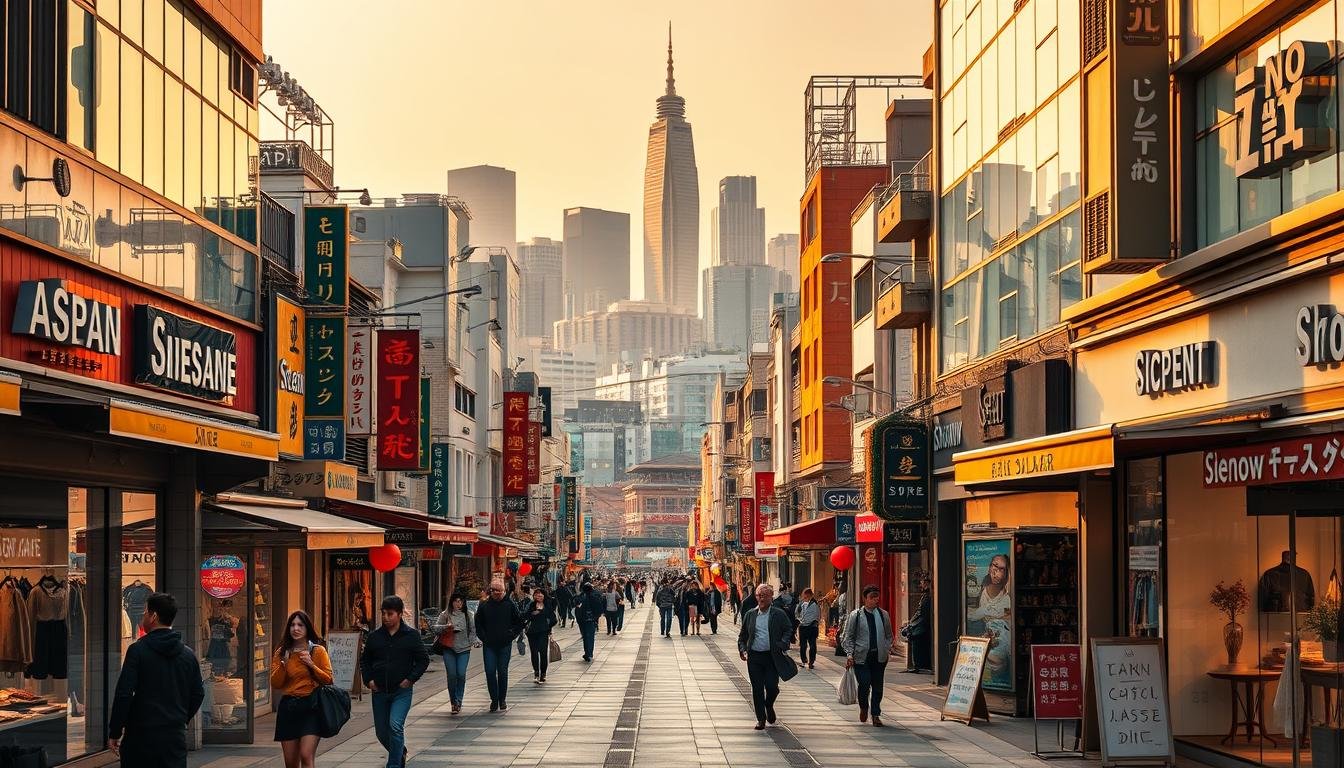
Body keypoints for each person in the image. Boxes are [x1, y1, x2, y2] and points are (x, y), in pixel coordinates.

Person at [107, 592, 204, 768]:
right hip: (174, 735)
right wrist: (181, 717)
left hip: (140, 734)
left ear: (154, 616)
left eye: (145, 611)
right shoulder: (188, 655)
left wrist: (115, 730)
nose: (143, 615)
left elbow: (124, 693)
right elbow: (198, 693)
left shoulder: (137, 650)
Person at [360, 596, 429, 768]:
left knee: (395, 725)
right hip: (379, 691)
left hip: (401, 691)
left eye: (390, 614)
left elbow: (423, 660)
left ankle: (393, 765)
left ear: (399, 614)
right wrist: (368, 680)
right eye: (383, 613)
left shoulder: (411, 635)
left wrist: (410, 679)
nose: (385, 617)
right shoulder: (375, 637)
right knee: (382, 732)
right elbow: (365, 660)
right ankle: (400, 752)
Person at [270, 611, 334, 768]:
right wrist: (284, 664)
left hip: (311, 706)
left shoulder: (317, 651)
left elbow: (328, 679)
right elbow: (275, 683)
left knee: (306, 755)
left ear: (307, 628)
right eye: (292, 625)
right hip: (288, 708)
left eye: (300, 625)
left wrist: (311, 665)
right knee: (291, 763)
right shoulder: (281, 652)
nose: (295, 628)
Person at [737, 584, 793, 730]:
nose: (761, 598)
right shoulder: (750, 614)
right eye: (759, 595)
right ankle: (760, 719)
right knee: (757, 688)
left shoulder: (778, 614)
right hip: (754, 657)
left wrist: (783, 643)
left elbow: (788, 629)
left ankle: (769, 704)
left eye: (764, 595)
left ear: (770, 597)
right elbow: (743, 636)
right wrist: (743, 650)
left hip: (771, 657)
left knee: (772, 687)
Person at [841, 585, 896, 727]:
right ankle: (864, 707)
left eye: (877, 597)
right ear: (865, 598)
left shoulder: (884, 615)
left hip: (879, 657)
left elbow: (889, 635)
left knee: (878, 687)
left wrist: (887, 648)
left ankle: (876, 714)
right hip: (861, 657)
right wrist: (849, 655)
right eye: (872, 597)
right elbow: (848, 636)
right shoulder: (856, 615)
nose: (875, 600)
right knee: (864, 684)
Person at [474, 578, 524, 712]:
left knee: (502, 672)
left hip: (504, 644)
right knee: (490, 672)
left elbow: (519, 622)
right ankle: (494, 699)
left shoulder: (510, 604)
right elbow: (478, 623)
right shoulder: (484, 605)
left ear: (504, 591)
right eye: (493, 590)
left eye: (498, 590)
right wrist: (483, 637)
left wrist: (511, 635)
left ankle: (502, 699)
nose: (496, 593)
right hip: (489, 644)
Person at [432, 594, 477, 715]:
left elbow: (473, 631)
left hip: (464, 649)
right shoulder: (445, 614)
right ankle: (454, 702)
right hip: (449, 648)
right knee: (452, 675)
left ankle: (459, 699)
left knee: (461, 674)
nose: (458, 604)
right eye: (456, 601)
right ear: (451, 602)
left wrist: (471, 642)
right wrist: (445, 627)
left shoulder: (469, 615)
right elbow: (435, 628)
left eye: (460, 601)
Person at [524, 587, 557, 683]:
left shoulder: (547, 606)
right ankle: (536, 673)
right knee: (534, 653)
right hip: (532, 633)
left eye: (540, 594)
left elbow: (554, 619)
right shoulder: (531, 605)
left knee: (543, 653)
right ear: (534, 596)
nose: (538, 595)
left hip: (543, 632)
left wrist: (548, 626)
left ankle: (543, 674)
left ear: (544, 596)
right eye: (536, 594)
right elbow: (525, 616)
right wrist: (532, 614)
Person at [903, 575, 933, 673]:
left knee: (918, 643)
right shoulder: (925, 596)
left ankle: (920, 666)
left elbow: (922, 612)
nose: (921, 585)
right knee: (916, 644)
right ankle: (918, 665)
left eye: (922, 583)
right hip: (921, 624)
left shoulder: (928, 596)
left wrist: (912, 623)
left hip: (923, 625)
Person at [574, 581, 604, 662]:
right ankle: (589, 653)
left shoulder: (581, 596)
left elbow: (575, 606)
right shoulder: (595, 596)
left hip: (582, 620)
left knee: (585, 637)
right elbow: (600, 608)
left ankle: (587, 653)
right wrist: (596, 617)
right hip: (590, 620)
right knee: (590, 637)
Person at [796, 588, 821, 669]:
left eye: (807, 596)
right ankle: (805, 660)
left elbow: (817, 616)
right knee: (803, 645)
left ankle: (811, 662)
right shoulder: (802, 604)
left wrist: (814, 622)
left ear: (811, 595)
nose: (806, 597)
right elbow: (797, 613)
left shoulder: (815, 604)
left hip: (811, 627)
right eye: (805, 596)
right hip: (805, 627)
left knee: (812, 645)